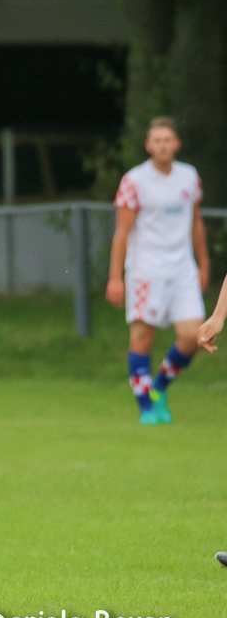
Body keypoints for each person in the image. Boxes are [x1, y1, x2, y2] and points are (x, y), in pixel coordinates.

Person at [106, 117, 209, 425]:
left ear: (176, 144)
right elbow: (122, 232)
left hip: (182, 269)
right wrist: (115, 277)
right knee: (142, 336)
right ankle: (146, 408)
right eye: (157, 141)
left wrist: (203, 262)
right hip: (146, 270)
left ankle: (159, 387)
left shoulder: (189, 176)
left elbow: (196, 222)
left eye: (168, 140)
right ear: (148, 145)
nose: (163, 146)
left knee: (194, 335)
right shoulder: (134, 181)